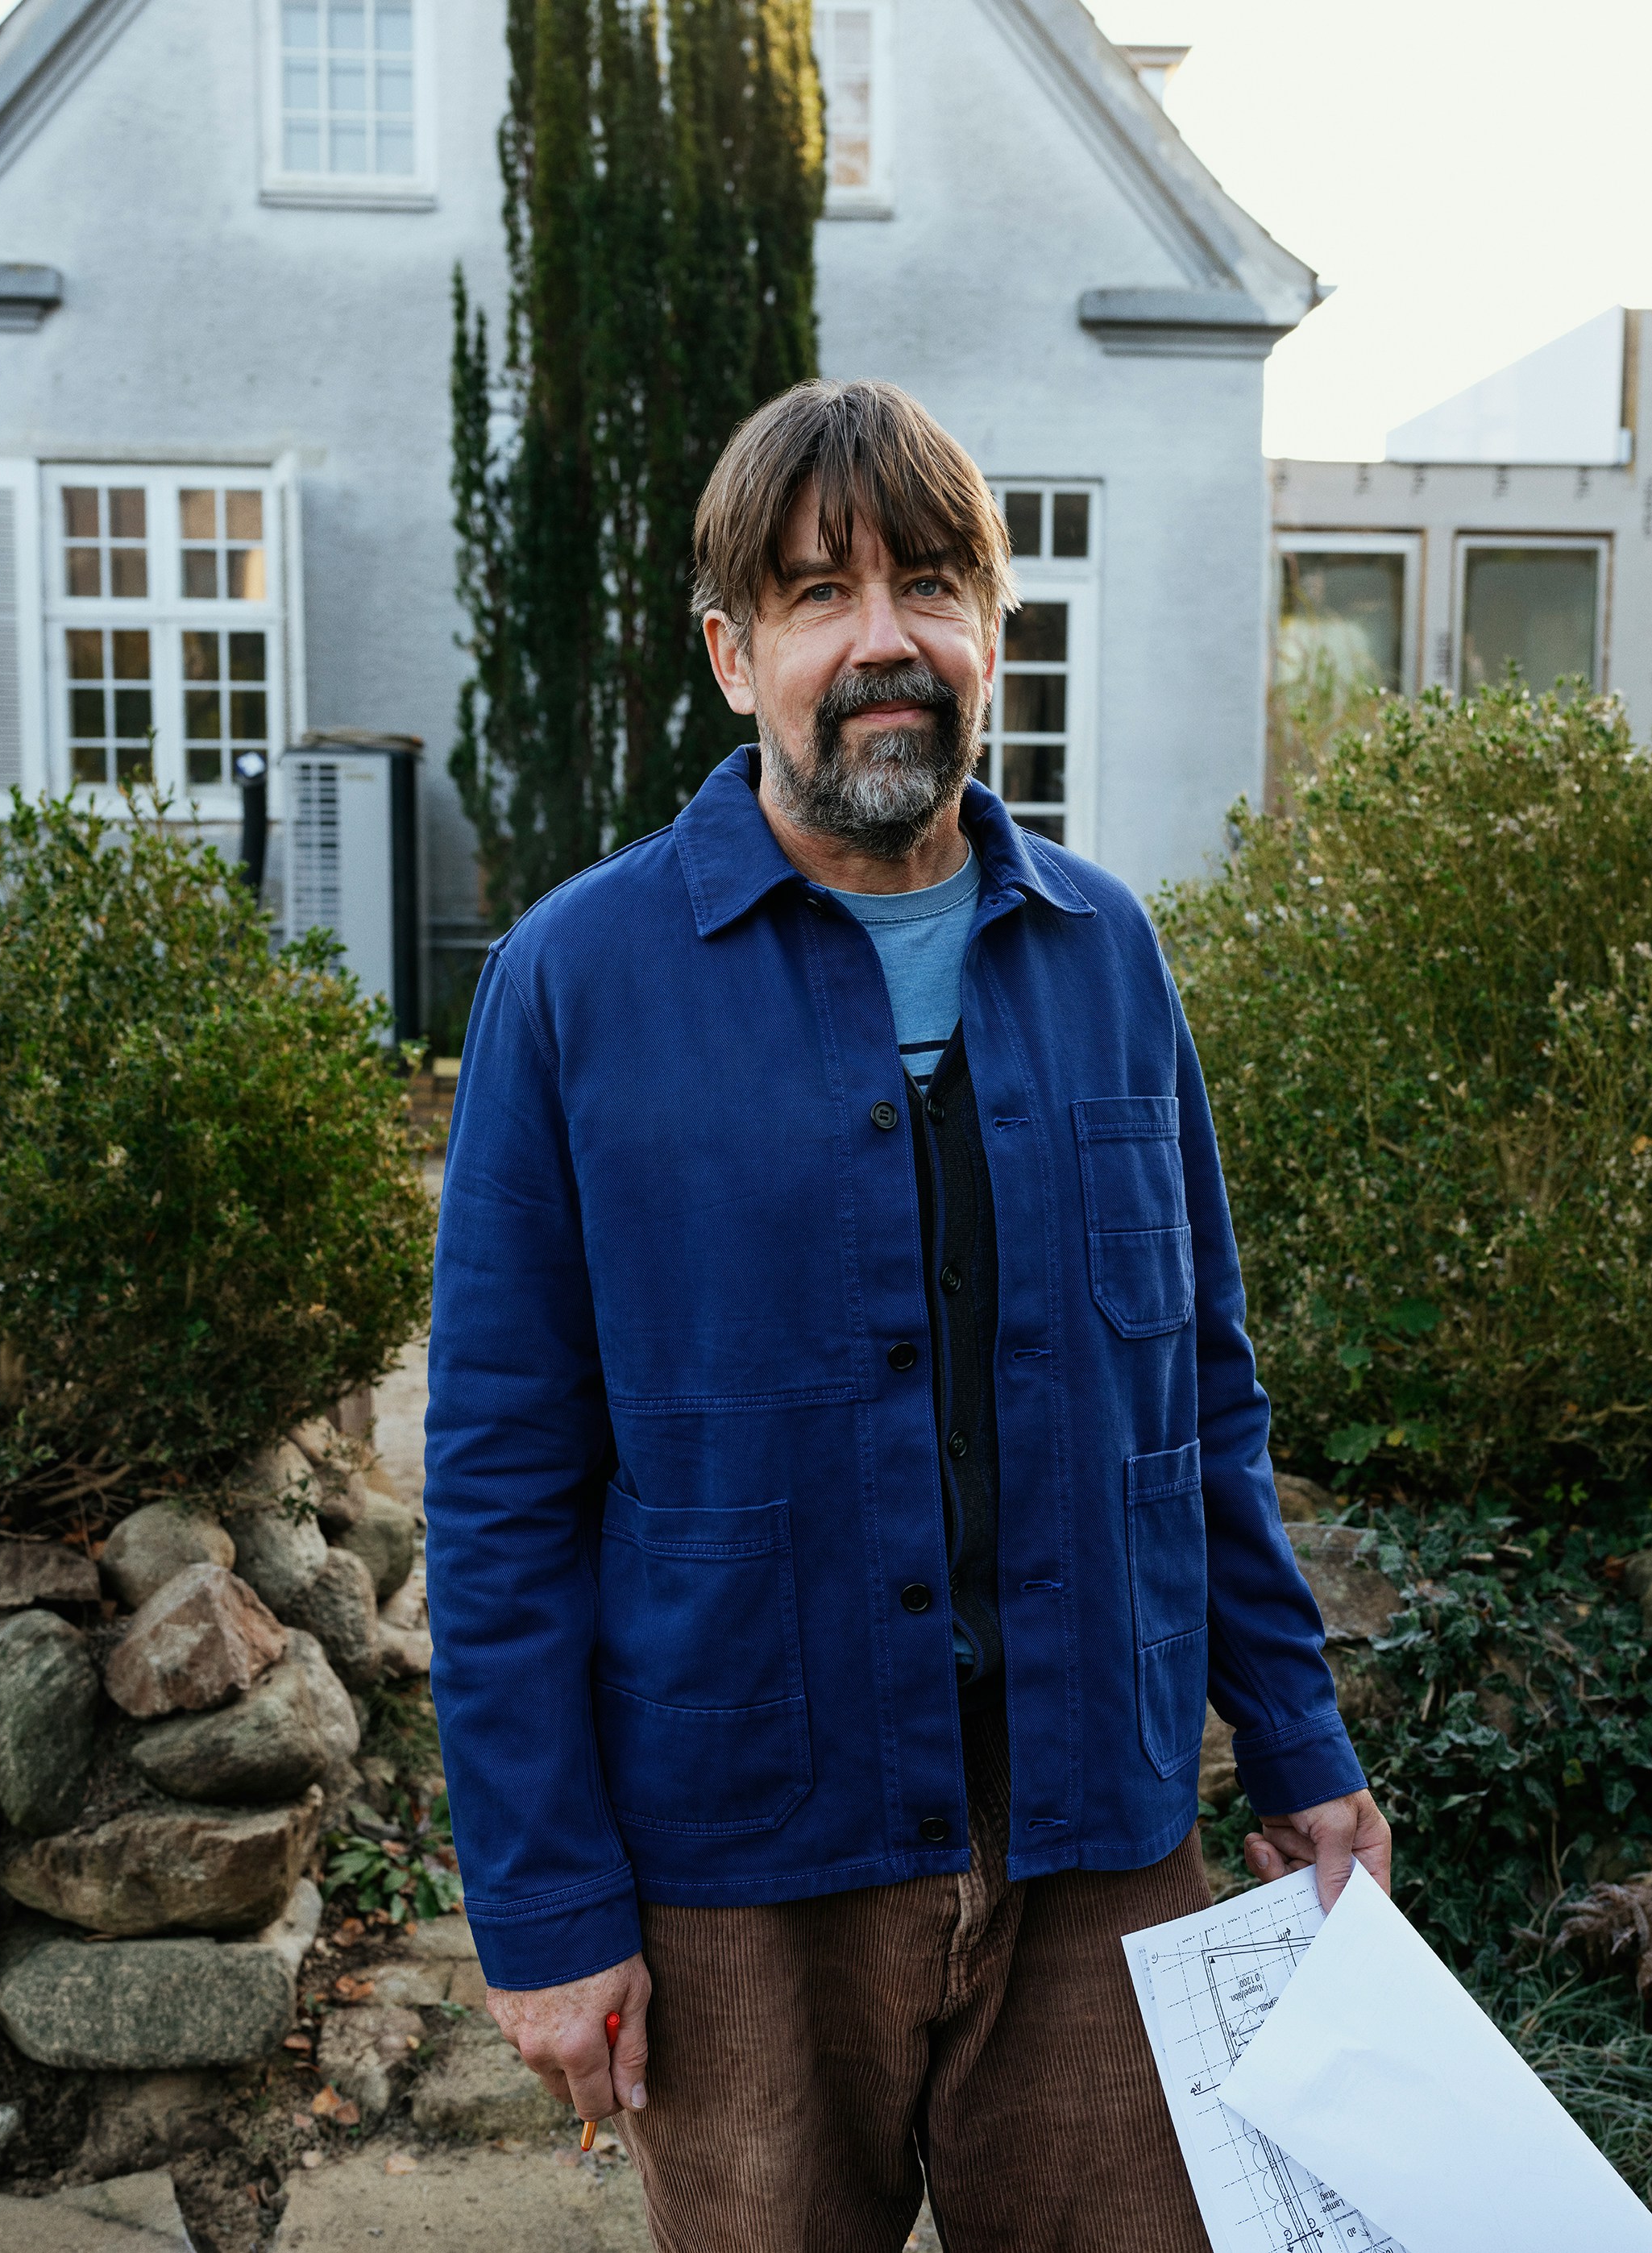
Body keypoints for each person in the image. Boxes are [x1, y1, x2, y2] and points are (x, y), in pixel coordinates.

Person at [423, 378, 1392, 2252]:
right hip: (740, 1870)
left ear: (989, 633)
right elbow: (498, 1487)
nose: (886, 641)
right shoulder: (573, 987)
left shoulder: (1109, 957)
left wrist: (1298, 1749)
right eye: (815, 594)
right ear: (730, 653)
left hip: (1096, 1844)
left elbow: (1196, 1394)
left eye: (932, 586)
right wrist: (547, 1915)